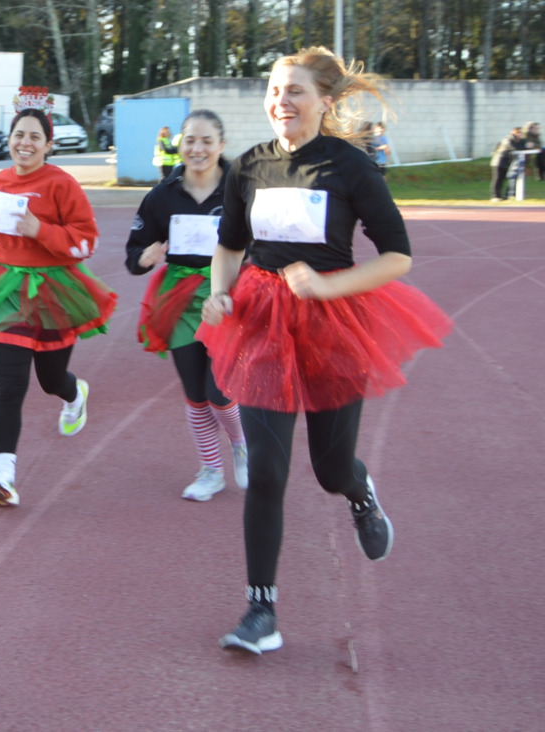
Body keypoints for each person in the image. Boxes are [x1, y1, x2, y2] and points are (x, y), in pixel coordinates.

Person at [197, 47, 451, 655]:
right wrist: (218, 294)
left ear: (324, 102)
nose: (281, 102)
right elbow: (230, 245)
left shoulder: (351, 166)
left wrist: (328, 285)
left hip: (333, 323)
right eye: (275, 91)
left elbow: (398, 255)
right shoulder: (249, 167)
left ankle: (359, 495)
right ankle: (262, 610)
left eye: (295, 91)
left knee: (329, 468)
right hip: (261, 324)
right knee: (266, 470)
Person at [0, 97, 117, 508]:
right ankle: (4, 476)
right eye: (19, 134)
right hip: (4, 290)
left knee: (49, 380)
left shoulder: (62, 185)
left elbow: (86, 242)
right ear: (10, 139)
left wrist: (41, 229)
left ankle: (74, 394)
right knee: (11, 385)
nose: (25, 142)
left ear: (48, 145)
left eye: (35, 137)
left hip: (55, 290)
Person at [125, 110, 247, 502]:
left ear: (221, 146)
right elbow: (133, 251)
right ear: (180, 143)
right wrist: (144, 257)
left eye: (207, 141)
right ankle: (210, 470)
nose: (197, 148)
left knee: (220, 391)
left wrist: (231, 290)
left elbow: (261, 248)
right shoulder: (162, 196)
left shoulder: (242, 190)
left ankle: (241, 446)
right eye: (190, 140)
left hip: (228, 298)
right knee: (195, 393)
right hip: (177, 300)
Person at [490, 126, 525, 202]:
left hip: (506, 162)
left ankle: (505, 195)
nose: (521, 135)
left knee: (504, 179)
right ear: (516, 133)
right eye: (519, 133)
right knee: (498, 179)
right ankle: (495, 196)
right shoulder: (508, 139)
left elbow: (522, 147)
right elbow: (513, 147)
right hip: (499, 161)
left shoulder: (519, 141)